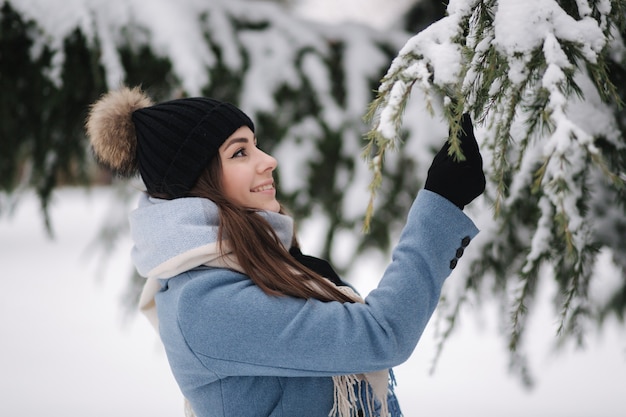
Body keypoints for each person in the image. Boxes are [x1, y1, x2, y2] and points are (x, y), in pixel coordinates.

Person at [85, 86, 485, 417]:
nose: (269, 160)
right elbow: (380, 336)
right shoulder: (206, 303)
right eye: (240, 152)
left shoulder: (245, 262)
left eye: (255, 145)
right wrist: (442, 201)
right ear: (196, 183)